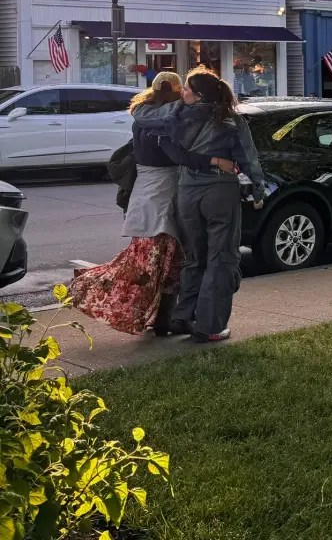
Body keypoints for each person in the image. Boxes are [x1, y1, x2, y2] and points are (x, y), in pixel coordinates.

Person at [70, 72, 237, 336]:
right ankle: (91, 286)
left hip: (143, 197)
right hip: (164, 196)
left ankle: (163, 320)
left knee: (155, 265)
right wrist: (214, 161)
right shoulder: (167, 123)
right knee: (163, 264)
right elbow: (179, 156)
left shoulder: (142, 118)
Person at [132, 67, 265, 343]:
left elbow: (139, 114)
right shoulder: (230, 119)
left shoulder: (175, 115)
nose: (184, 93)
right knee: (222, 257)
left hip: (187, 193)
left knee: (194, 256)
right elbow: (248, 157)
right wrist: (258, 189)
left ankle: (183, 317)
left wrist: (171, 104)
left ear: (199, 94)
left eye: (189, 89)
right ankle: (210, 326)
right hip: (220, 190)